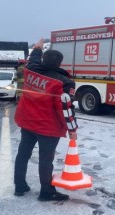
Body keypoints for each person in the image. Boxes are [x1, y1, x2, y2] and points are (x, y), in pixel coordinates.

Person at [13, 38, 78, 201]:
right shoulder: (63, 82)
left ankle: (19, 186)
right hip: (48, 128)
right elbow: (65, 109)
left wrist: (37, 47)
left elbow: (33, 58)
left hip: (27, 122)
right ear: (60, 63)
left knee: (22, 154)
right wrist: (72, 130)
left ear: (43, 60)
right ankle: (46, 192)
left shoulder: (31, 70)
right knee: (45, 160)